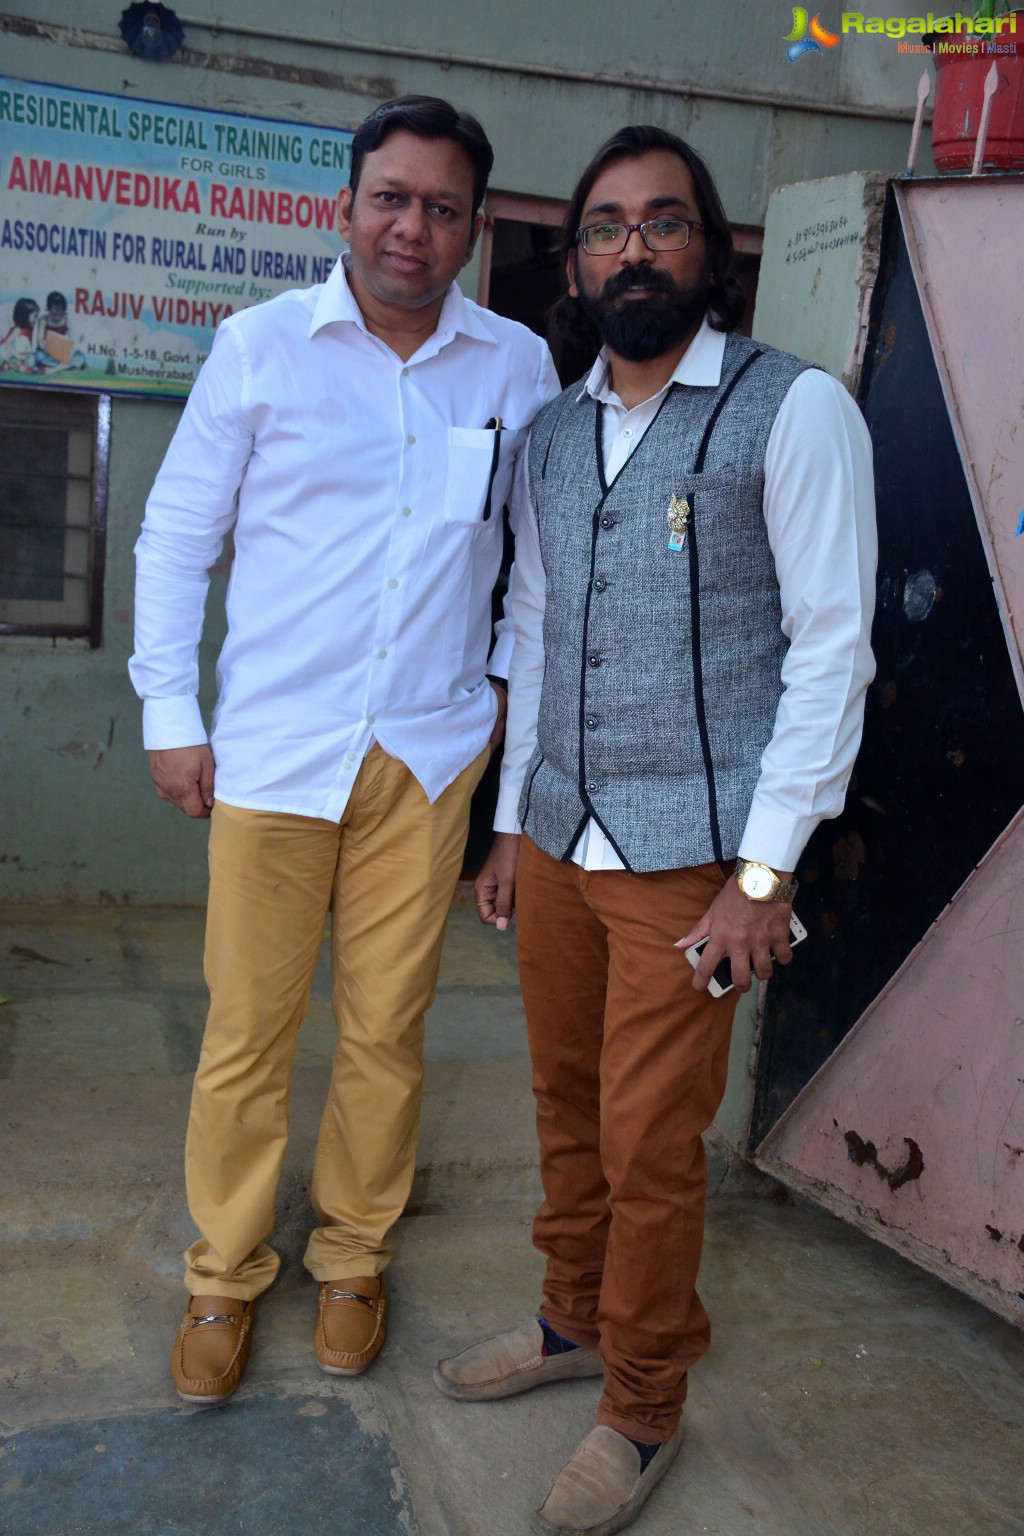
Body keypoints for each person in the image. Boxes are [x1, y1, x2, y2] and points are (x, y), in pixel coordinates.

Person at [433, 125, 876, 1536]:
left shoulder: (794, 410)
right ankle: (570, 1321)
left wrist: (766, 872)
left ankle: (641, 1401)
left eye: (665, 223)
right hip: (560, 842)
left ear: (714, 250)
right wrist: (509, 827)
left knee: (651, 1141)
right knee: (565, 1108)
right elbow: (537, 627)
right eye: (608, 227)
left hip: (699, 865)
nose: (636, 248)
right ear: (575, 263)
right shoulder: (556, 432)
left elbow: (833, 652)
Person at [129, 94, 559, 1406]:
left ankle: (355, 1254)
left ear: (475, 228)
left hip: (425, 762)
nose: (411, 227)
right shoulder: (261, 348)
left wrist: (505, 744)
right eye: (390, 197)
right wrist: (170, 714)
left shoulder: (516, 368)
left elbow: (533, 583)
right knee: (249, 1034)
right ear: (346, 206)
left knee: (388, 1031)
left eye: (441, 206)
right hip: (270, 755)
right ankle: (222, 1274)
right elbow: (173, 539)